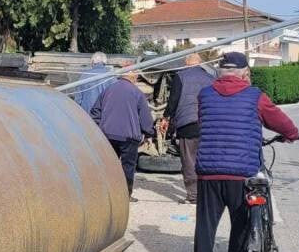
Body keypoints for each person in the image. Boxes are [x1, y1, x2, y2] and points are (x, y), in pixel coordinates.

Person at [194, 51, 299, 252]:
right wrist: (291, 134)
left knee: (205, 223)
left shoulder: (205, 95)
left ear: (219, 73)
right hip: (242, 172)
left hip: (208, 171)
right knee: (241, 225)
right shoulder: (255, 96)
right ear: (245, 74)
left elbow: (204, 123)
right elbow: (278, 120)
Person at [91, 67, 155, 196]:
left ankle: (108, 194)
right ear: (134, 78)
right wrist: (149, 133)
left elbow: (95, 112)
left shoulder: (108, 90)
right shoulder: (137, 93)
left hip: (108, 135)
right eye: (136, 76)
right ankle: (125, 195)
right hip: (129, 137)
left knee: (109, 165)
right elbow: (145, 118)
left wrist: (100, 127)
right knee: (128, 166)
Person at [160, 52, 214, 204]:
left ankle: (193, 195)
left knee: (189, 159)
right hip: (208, 125)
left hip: (187, 124)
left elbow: (173, 100)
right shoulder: (210, 78)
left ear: (186, 62)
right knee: (204, 159)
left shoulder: (180, 76)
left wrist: (166, 117)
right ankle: (207, 193)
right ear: (200, 63)